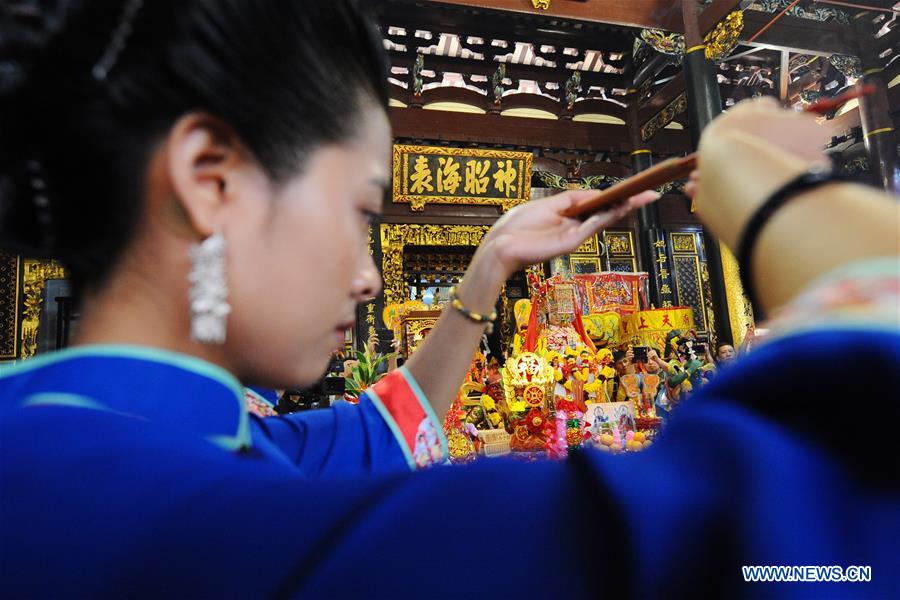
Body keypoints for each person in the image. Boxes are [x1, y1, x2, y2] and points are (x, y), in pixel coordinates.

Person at [0, 3, 896, 598]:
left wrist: (489, 269)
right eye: (360, 212)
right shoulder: (174, 528)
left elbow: (359, 437)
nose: (370, 274)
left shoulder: (92, 434)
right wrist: (784, 206)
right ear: (211, 179)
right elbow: (817, 549)